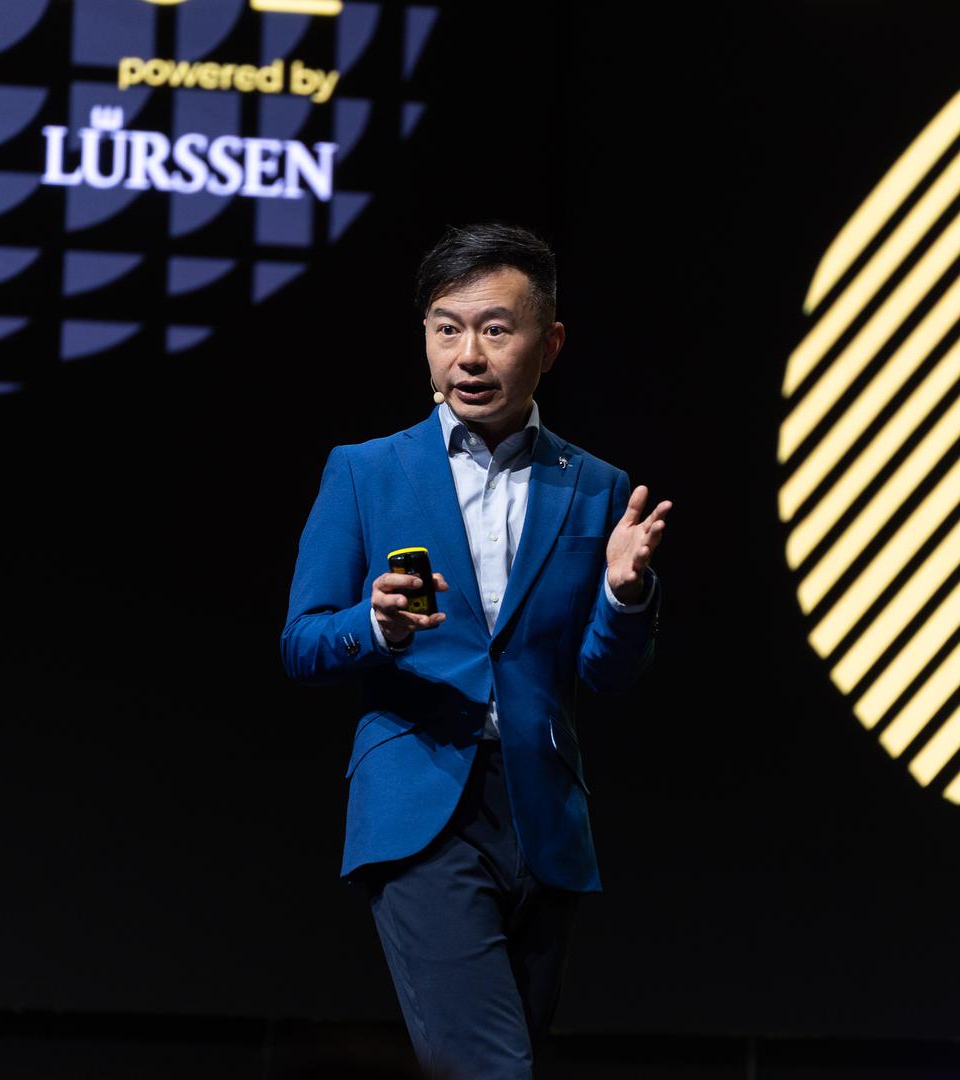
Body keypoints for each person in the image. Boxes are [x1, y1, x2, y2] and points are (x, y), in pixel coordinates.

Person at [280, 223, 670, 1079]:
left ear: (549, 344)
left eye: (496, 330)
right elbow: (301, 642)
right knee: (492, 1069)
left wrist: (624, 594)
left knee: (512, 1060)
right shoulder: (367, 471)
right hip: (420, 807)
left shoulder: (595, 485)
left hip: (542, 816)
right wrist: (375, 627)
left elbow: (605, 673)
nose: (468, 355)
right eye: (446, 328)